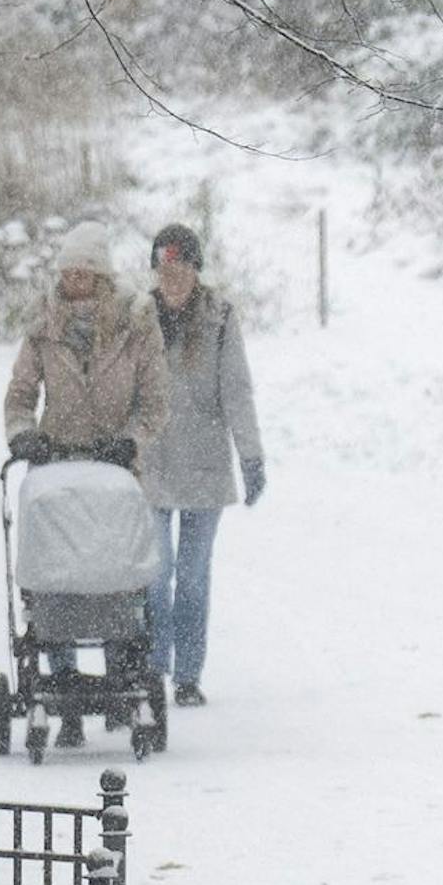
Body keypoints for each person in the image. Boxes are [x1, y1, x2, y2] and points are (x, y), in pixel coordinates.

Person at [4, 220, 169, 746]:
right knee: (56, 577)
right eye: (67, 272)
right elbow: (20, 393)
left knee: (115, 573)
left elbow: (155, 400)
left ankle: (124, 676)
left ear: (100, 277)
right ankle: (62, 683)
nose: (73, 281)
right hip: (57, 465)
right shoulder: (43, 325)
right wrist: (23, 434)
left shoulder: (137, 326)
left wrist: (132, 440)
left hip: (116, 468)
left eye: (83, 273)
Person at [135, 222, 265, 707]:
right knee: (154, 572)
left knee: (191, 575)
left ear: (196, 270)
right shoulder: (138, 317)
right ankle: (151, 667)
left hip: (206, 463)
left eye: (183, 268)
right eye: (165, 269)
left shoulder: (220, 318)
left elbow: (237, 389)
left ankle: (187, 675)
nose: (174, 279)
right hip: (152, 463)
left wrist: (250, 455)